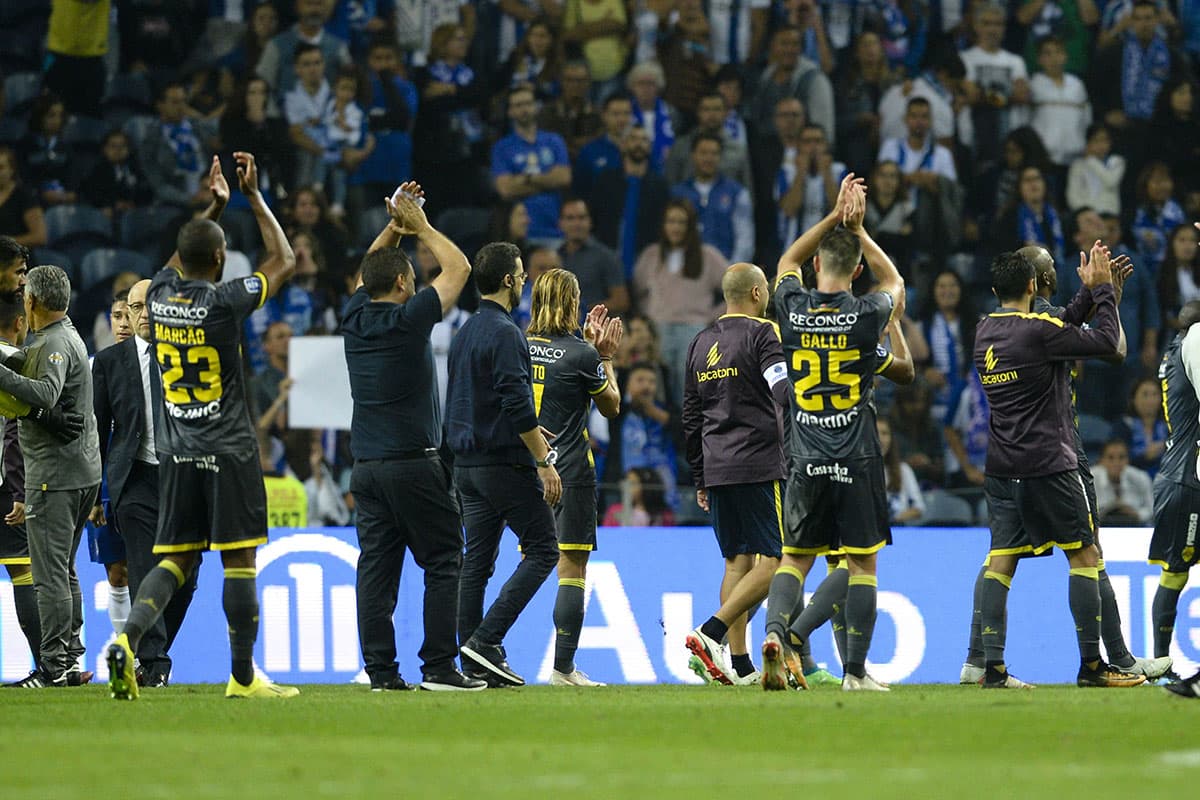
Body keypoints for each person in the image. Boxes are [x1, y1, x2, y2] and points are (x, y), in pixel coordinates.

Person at [105, 151, 300, 701]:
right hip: (230, 448)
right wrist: (255, 197)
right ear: (219, 258)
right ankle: (242, 677)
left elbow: (170, 264)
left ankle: (128, 641)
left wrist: (211, 207)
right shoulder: (224, 301)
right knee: (239, 559)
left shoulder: (160, 297)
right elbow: (284, 260)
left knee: (176, 557)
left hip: (177, 450)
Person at [972, 245, 1145, 689]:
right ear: (1033, 286)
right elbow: (1108, 343)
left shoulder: (983, 330)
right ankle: (1093, 667)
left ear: (996, 290)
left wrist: (1086, 295)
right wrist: (1105, 291)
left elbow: (1056, 324)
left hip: (1001, 466)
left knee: (1001, 561)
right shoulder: (1038, 330)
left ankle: (990, 669)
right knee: (1084, 555)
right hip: (1049, 462)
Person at [762, 173, 905, 692]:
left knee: (795, 559)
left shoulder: (793, 308)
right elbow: (896, 285)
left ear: (818, 265)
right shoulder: (868, 314)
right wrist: (860, 229)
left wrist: (830, 218)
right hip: (858, 454)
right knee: (862, 564)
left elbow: (784, 264)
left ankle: (776, 635)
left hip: (803, 452)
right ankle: (854, 674)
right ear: (857, 269)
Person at [342, 183, 483, 692]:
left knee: (376, 571)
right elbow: (461, 269)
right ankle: (440, 668)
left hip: (368, 468)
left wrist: (393, 228)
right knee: (444, 560)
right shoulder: (411, 318)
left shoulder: (353, 319)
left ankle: (381, 673)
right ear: (405, 282)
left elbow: (368, 270)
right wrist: (419, 226)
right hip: (415, 464)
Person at [446, 241, 562, 687]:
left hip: (467, 467)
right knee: (544, 550)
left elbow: (471, 399)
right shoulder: (508, 332)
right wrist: (544, 460)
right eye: (521, 274)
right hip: (503, 465)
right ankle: (486, 641)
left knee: (476, 561)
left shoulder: (466, 332)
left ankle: (473, 664)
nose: (525, 280)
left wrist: (527, 430)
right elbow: (516, 403)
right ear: (510, 281)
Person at [682, 263, 792, 687]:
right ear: (758, 294)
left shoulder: (699, 342)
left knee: (737, 561)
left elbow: (691, 417)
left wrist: (699, 476)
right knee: (776, 560)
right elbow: (779, 386)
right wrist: (800, 410)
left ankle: (740, 664)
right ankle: (710, 633)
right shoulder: (763, 333)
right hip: (758, 462)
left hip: (716, 464)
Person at [93, 274, 202, 688]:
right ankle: (155, 664)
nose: (141, 314)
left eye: (149, 305)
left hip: (183, 479)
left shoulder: (189, 355)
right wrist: (96, 491)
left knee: (187, 577)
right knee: (142, 567)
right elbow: (100, 431)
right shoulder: (109, 362)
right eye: (135, 307)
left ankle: (149, 648)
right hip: (135, 479)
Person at [0, 265, 99, 688]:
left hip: (55, 477)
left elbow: (45, 394)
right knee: (66, 571)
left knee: (49, 575)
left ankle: (54, 666)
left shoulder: (55, 343)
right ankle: (71, 660)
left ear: (32, 301)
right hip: (78, 471)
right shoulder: (63, 336)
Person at [526, 270, 622, 685]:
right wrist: (604, 356)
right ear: (571, 302)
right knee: (571, 567)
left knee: (487, 561)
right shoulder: (581, 353)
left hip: (519, 470)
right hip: (568, 473)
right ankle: (563, 669)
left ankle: (478, 651)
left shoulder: (518, 345)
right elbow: (611, 406)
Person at [1149, 297, 1200, 687]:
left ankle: (1160, 663)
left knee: (1174, 576)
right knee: (1175, 574)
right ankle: (1161, 665)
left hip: (1177, 474)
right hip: (1189, 478)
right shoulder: (1195, 341)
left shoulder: (1172, 352)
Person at [0, 295, 40, 678]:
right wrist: (19, 490)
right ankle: (48, 666)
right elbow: (14, 430)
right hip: (5, 482)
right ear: (18, 323)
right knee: (24, 570)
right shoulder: (14, 360)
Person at [491, 84, 572, 243]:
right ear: (510, 111)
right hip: (523, 232)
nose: (524, 109)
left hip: (557, 229)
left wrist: (526, 178)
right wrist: (547, 180)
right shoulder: (502, 147)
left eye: (528, 103)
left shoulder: (554, 141)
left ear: (536, 106)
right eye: (518, 105)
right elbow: (506, 189)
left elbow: (563, 178)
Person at [670, 133, 754, 264]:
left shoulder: (737, 193)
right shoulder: (677, 193)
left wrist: (731, 272)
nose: (708, 158)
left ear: (721, 157)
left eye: (714, 153)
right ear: (693, 155)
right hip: (685, 270)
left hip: (724, 270)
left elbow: (745, 239)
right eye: (703, 153)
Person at [1092, 439, 1154, 524]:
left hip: (1135, 527)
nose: (1116, 462)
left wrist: (1137, 514)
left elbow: (1152, 508)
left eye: (1121, 457)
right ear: (1102, 460)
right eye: (1110, 458)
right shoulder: (1090, 479)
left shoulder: (1141, 478)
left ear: (1127, 460)